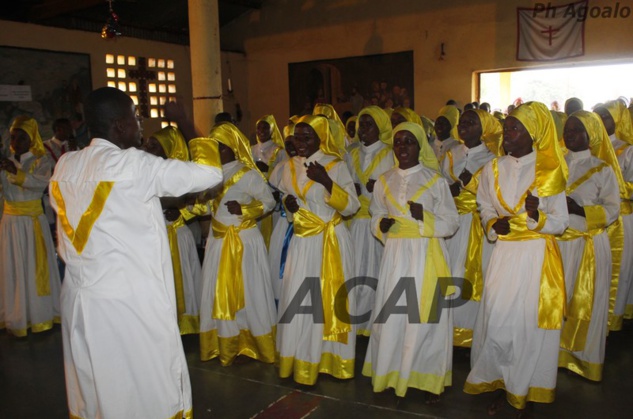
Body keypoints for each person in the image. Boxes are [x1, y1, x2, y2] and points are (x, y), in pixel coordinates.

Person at [49, 87, 223, 419]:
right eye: (135, 117)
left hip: (80, 299)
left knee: (96, 385)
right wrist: (185, 122)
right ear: (119, 125)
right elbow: (210, 173)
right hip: (128, 301)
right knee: (140, 386)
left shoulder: (66, 165)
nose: (140, 124)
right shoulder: (134, 165)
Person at [465, 102, 569, 417]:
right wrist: (490, 223)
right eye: (507, 128)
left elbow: (561, 222)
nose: (507, 134)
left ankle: (523, 389)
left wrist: (537, 217)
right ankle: (497, 381)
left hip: (536, 256)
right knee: (497, 321)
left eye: (515, 129)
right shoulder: (493, 168)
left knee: (527, 326)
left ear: (532, 134)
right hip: (504, 254)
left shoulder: (549, 169)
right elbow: (483, 203)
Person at [362, 121, 458, 402]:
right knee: (393, 315)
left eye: (409, 142)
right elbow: (375, 213)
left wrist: (424, 218)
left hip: (425, 254)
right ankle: (392, 372)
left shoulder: (435, 181)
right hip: (395, 255)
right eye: (398, 142)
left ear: (420, 145)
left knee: (425, 319)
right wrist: (382, 223)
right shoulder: (384, 180)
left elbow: (451, 222)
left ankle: (428, 380)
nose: (402, 147)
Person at [276, 114, 360, 385]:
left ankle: (331, 359)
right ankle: (300, 357)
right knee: (299, 300)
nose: (300, 143)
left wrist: (326, 181)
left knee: (328, 301)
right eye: (297, 137)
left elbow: (351, 206)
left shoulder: (334, 166)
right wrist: (289, 209)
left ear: (320, 138)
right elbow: (290, 201)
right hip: (302, 243)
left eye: (307, 137)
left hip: (329, 241)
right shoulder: (288, 167)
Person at [198, 122, 277, 366]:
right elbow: (201, 207)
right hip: (218, 241)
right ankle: (224, 341)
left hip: (243, 241)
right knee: (218, 290)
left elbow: (269, 201)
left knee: (249, 289)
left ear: (233, 147)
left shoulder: (248, 173)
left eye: (222, 147)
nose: (219, 151)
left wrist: (245, 209)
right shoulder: (209, 175)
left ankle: (254, 343)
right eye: (215, 147)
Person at [557, 111, 621, 382]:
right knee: (555, 302)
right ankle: (553, 354)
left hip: (587, 247)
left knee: (585, 303)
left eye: (576, 129)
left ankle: (582, 360)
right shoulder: (555, 164)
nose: (569, 133)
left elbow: (613, 209)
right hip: (557, 245)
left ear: (591, 134)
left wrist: (580, 209)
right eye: (567, 129)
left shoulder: (602, 169)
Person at [442, 109, 502, 348]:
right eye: (462, 121)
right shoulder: (451, 153)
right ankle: (448, 331)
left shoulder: (493, 157)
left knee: (476, 275)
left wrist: (470, 184)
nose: (464, 125)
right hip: (452, 221)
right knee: (450, 272)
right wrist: (449, 190)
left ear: (484, 127)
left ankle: (472, 335)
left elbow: (496, 193)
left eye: (471, 122)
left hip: (478, 223)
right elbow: (439, 183)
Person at [0, 116, 61, 337]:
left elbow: (42, 184)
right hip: (10, 224)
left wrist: (15, 173)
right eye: (14, 136)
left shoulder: (41, 161)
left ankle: (40, 315)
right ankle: (16, 314)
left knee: (34, 268)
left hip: (32, 222)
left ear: (32, 138)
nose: (16, 141)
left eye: (22, 137)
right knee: (13, 268)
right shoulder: (6, 161)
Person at [142, 124, 203, 335]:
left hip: (176, 233)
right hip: (154, 236)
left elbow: (201, 201)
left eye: (154, 146)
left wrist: (182, 213)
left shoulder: (180, 172)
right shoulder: (144, 170)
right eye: (148, 144)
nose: (148, 149)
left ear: (167, 148)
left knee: (183, 280)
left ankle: (185, 324)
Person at [344, 106, 394, 336]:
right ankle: (354, 321)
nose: (362, 129)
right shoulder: (351, 152)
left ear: (380, 126)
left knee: (375, 272)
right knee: (354, 272)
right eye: (360, 125)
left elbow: (400, 186)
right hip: (355, 222)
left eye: (368, 124)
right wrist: (350, 188)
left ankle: (374, 323)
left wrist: (382, 188)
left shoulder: (390, 152)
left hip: (378, 223)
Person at [594, 100, 633, 330]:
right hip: (593, 218)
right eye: (596, 115)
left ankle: (612, 319)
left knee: (618, 270)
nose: (600, 120)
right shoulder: (589, 147)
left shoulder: (627, 149)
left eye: (605, 117)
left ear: (617, 120)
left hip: (621, 217)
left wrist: (612, 188)